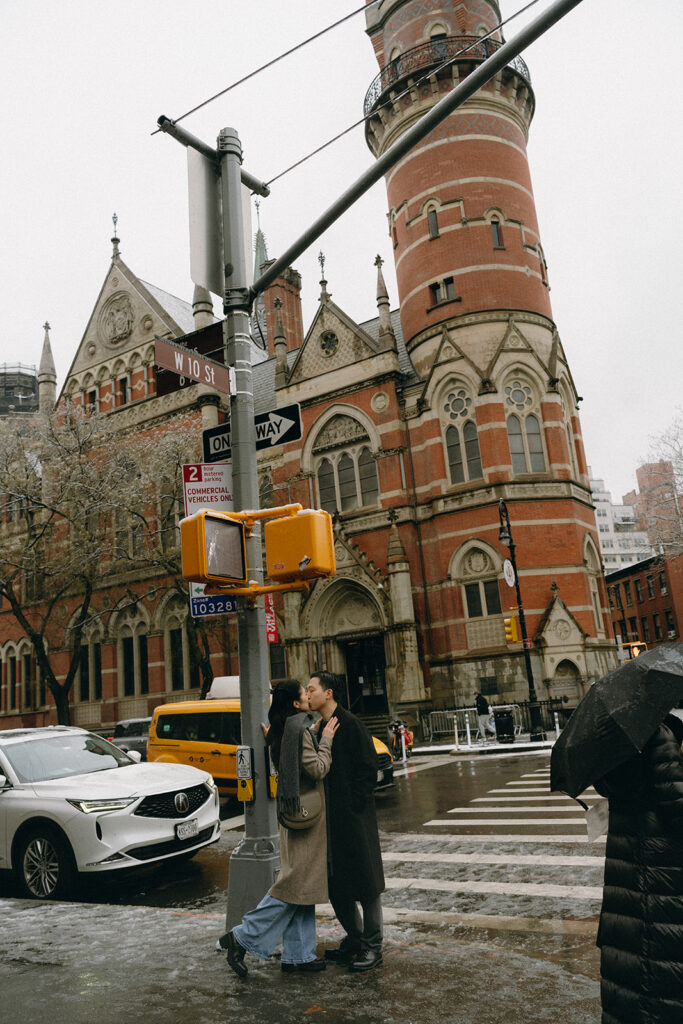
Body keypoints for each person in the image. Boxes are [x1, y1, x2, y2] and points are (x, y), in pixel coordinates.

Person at [218, 679, 339, 978]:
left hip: (292, 817)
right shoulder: (300, 731)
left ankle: (299, 956)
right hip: (307, 820)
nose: (309, 696)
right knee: (292, 886)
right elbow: (318, 769)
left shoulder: (283, 730)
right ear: (296, 704)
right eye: (304, 693)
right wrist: (326, 740)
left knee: (303, 887)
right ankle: (242, 936)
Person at [594, 711, 683, 1023]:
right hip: (661, 884)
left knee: (629, 983)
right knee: (660, 985)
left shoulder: (614, 742)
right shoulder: (659, 736)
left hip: (626, 883)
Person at [307, 670, 385, 972]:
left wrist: (354, 807)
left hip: (353, 819)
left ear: (329, 694)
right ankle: (355, 938)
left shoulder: (350, 724)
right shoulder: (321, 727)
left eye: (312, 689)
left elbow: (369, 769)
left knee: (366, 886)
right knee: (337, 885)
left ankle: (373, 947)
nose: (308, 693)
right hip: (329, 821)